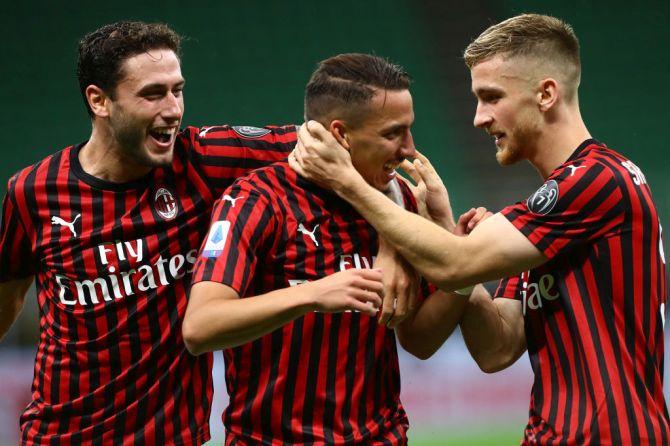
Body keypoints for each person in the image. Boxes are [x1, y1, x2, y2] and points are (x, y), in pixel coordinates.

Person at [290, 14, 669, 445]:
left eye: (491, 97)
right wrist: (451, 234)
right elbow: (497, 349)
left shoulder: (596, 180)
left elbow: (455, 265)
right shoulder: (542, 216)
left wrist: (349, 182)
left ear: (546, 94)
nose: (478, 118)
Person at [0, 21, 299, 445]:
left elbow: (327, 141)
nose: (174, 109)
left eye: (177, 90)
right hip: (60, 437)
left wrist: (397, 232)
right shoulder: (33, 193)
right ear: (99, 101)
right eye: (153, 94)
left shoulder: (203, 162)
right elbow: (6, 298)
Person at [183, 53, 475, 445]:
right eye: (393, 133)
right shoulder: (258, 200)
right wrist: (312, 293)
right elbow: (200, 327)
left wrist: (466, 268)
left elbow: (418, 341)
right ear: (340, 134)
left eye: (410, 130)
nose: (409, 149)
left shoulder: (399, 199)